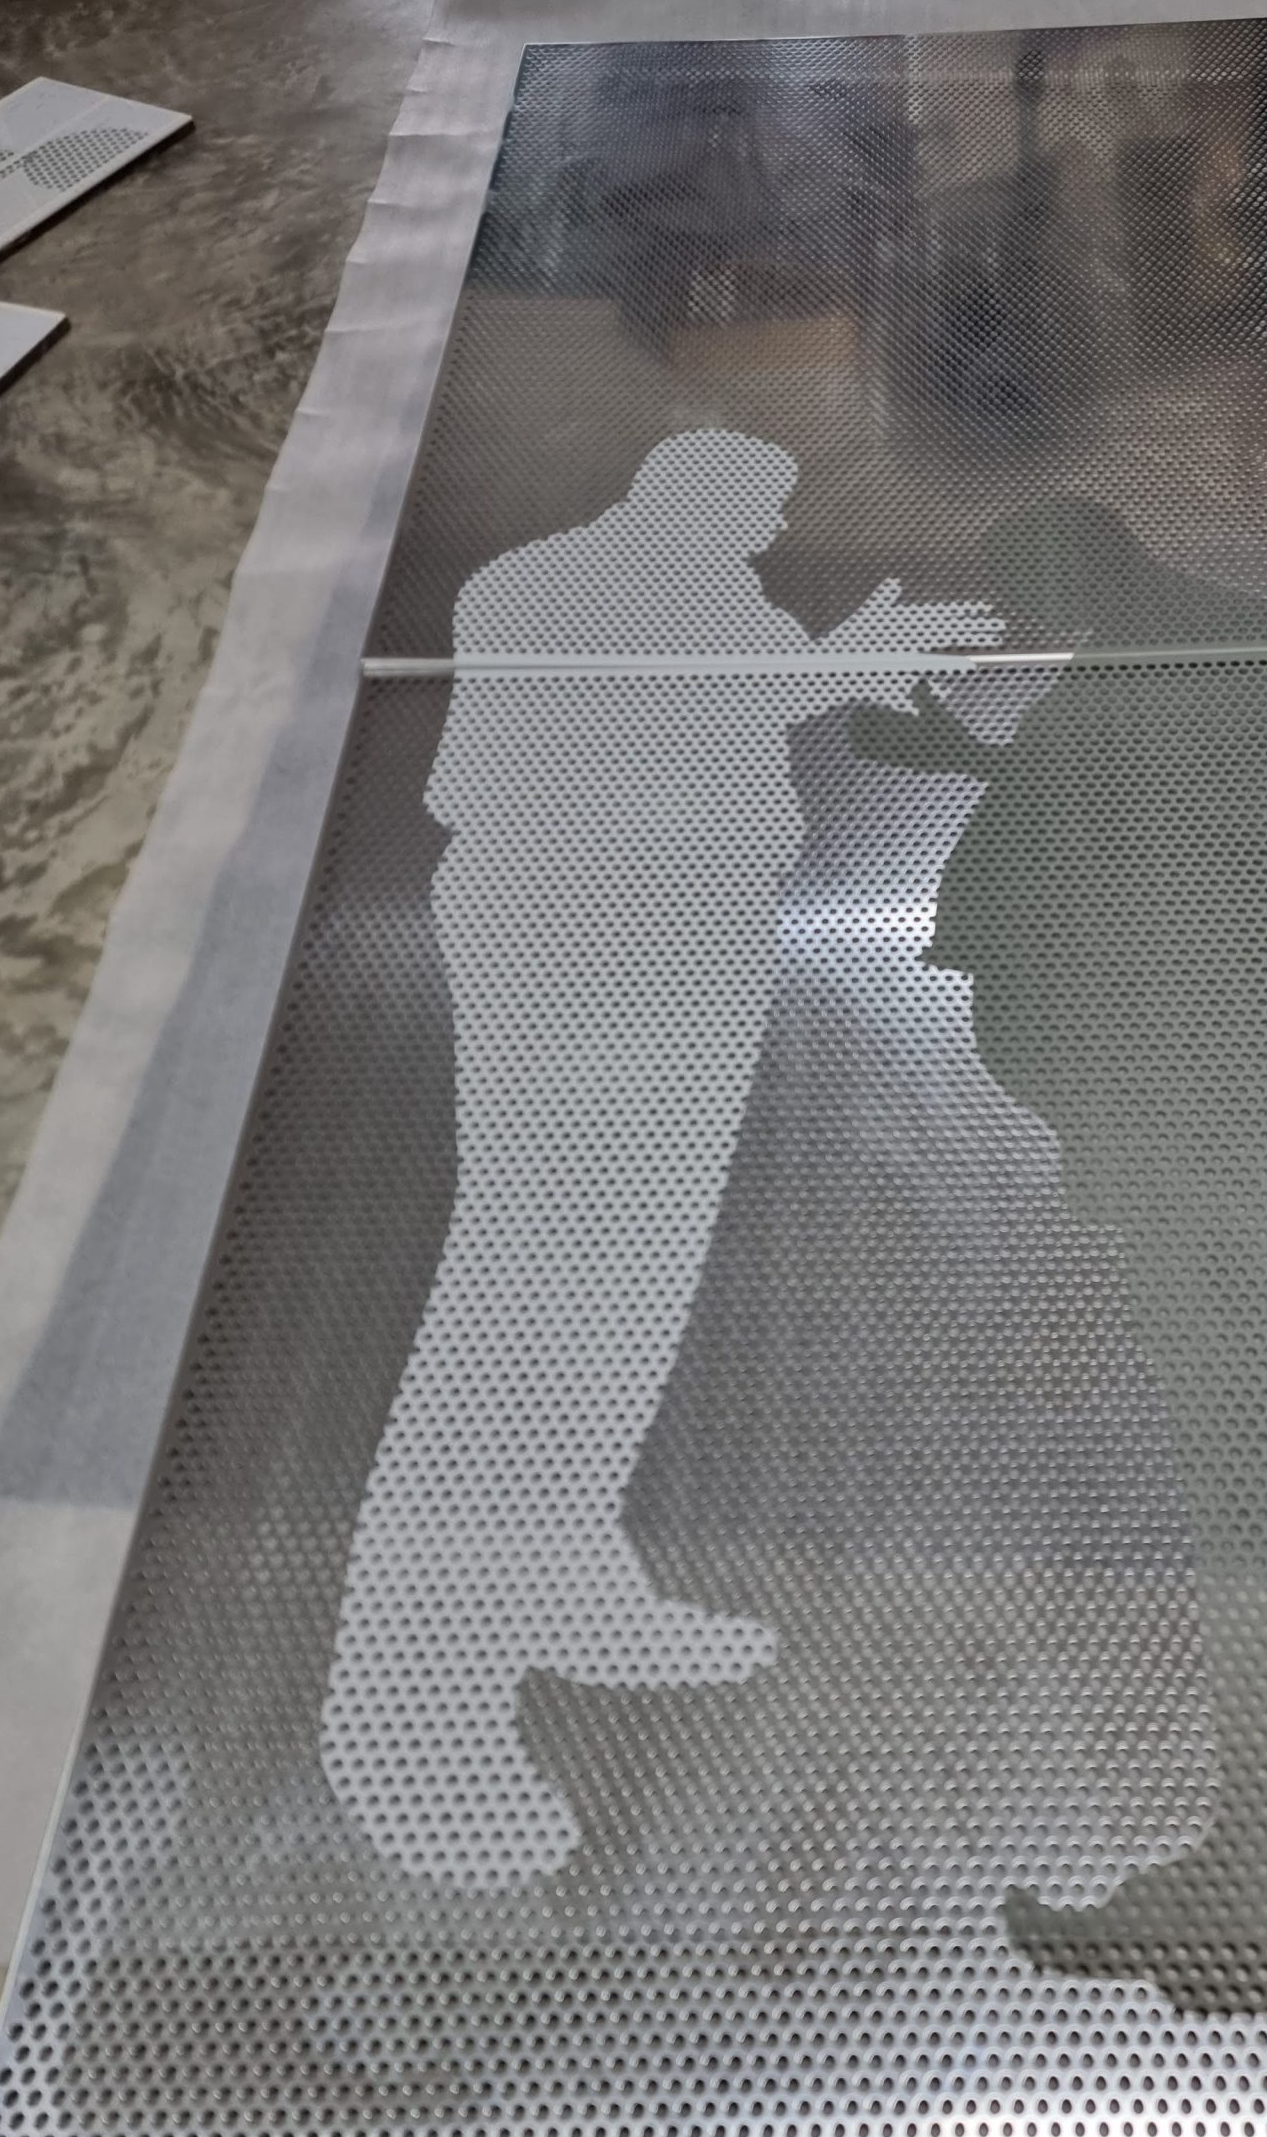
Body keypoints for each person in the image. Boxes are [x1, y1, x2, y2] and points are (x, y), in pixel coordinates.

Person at [851, 497, 1267, 2016]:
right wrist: (980, 765)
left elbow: (1185, 866)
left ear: (1080, 557)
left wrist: (986, 775)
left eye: (1020, 589)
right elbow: (1150, 828)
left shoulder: (1201, 646)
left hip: (1227, 1124)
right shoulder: (1179, 651)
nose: (1021, 625)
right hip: (1232, 1120)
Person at [319, 429, 1000, 1887]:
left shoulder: (724, 595)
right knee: (524, 1289)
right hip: (570, 931)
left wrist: (844, 667)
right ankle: (414, 1701)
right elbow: (601, 733)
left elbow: (739, 705)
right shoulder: (538, 584)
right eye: (755, 512)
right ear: (684, 496)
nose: (764, 538)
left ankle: (564, 1573)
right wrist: (828, 667)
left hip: (696, 935)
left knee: (632, 1282)